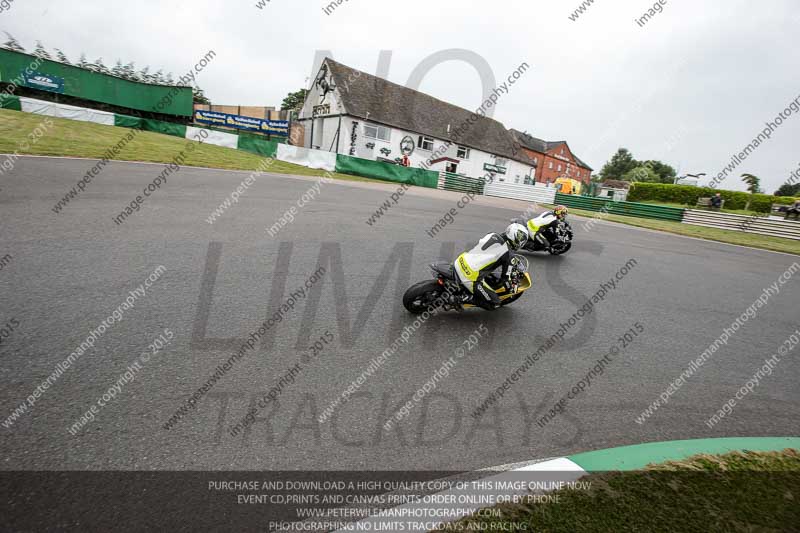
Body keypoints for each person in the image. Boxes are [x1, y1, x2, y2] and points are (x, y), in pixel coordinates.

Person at [453, 223, 529, 311]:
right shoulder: (509, 255)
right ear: (515, 237)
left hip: (461, 260)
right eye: (521, 240)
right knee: (494, 303)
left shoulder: (492, 234)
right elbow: (505, 280)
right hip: (470, 275)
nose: (521, 243)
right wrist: (512, 289)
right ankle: (462, 299)